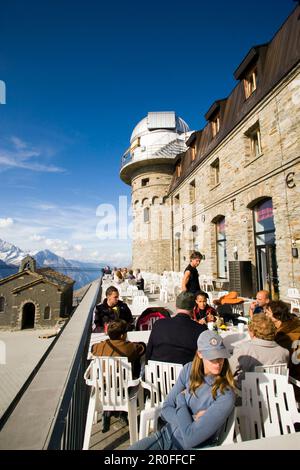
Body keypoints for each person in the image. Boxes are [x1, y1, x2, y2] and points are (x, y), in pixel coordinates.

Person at [129, 330, 236, 450]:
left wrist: (180, 400)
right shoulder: (188, 370)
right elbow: (166, 408)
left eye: (220, 356)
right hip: (166, 437)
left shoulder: (225, 394)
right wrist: (190, 422)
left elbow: (191, 438)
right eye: (212, 358)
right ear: (200, 354)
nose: (218, 363)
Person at [92, 319, 146, 432]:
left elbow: (92, 348)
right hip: (124, 388)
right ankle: (122, 413)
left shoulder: (101, 346)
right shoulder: (129, 347)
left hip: (105, 387)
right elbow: (142, 348)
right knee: (135, 365)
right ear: (122, 335)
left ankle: (108, 411)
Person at [146, 291, 207, 365]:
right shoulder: (200, 330)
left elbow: (148, 352)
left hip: (157, 373)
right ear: (194, 307)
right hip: (186, 374)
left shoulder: (159, 324)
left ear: (176, 306)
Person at [229, 313, 289, 388]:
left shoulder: (243, 348)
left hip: (246, 392)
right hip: (274, 392)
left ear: (252, 332)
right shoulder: (284, 352)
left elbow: (230, 371)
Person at [266, 300, 300, 401]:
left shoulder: (284, 337)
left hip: (292, 383)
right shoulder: (293, 325)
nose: (265, 315)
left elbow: (277, 360)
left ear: (276, 316)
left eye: (267, 313)